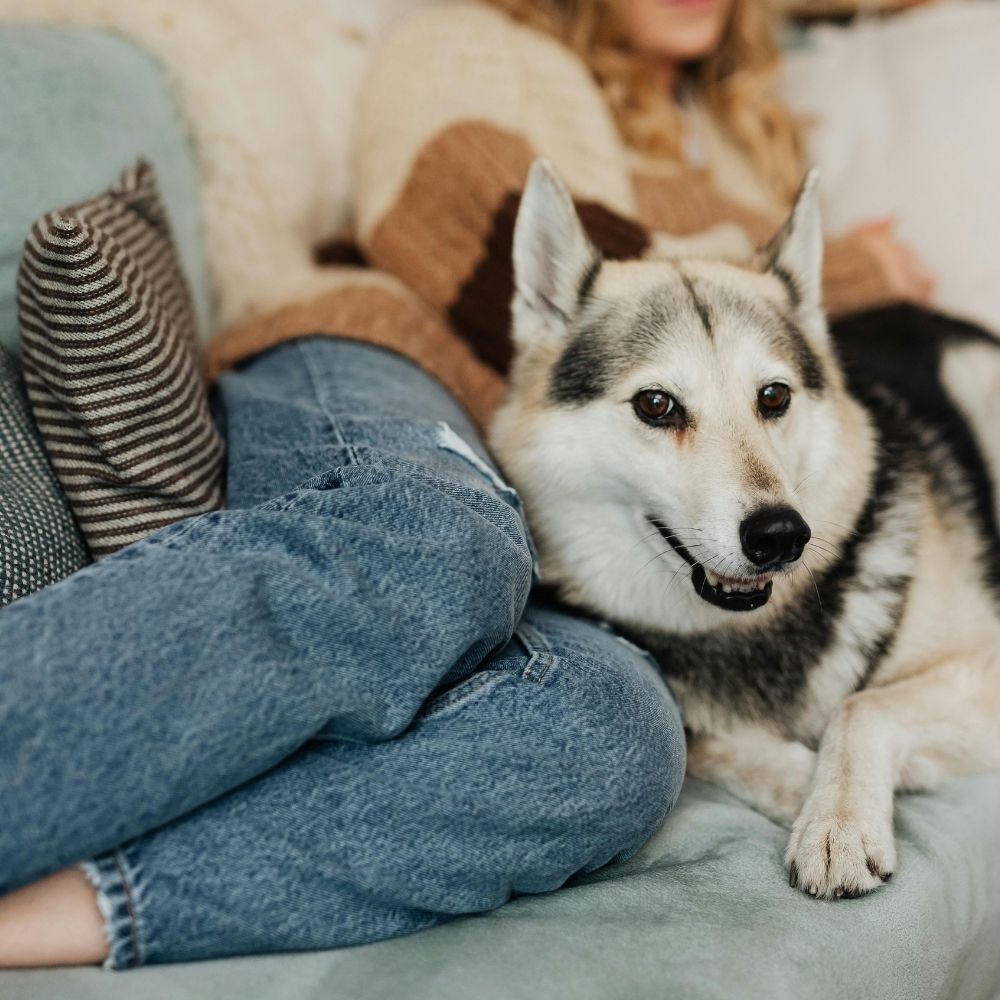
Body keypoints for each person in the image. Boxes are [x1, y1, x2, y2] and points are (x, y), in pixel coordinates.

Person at [0, 0, 942, 970]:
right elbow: (454, 222)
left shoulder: (749, 148)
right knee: (432, 547)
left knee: (617, 740)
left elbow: (747, 346)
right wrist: (822, 280)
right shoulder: (469, 43)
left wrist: (776, 300)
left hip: (571, 494)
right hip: (388, 350)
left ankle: (61, 918)